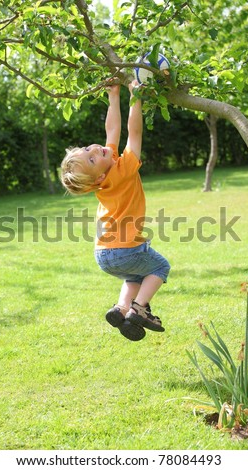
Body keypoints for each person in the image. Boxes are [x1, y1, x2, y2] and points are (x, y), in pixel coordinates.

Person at [61, 80, 170, 341]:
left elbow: (113, 129)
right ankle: (139, 309)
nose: (96, 150)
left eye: (88, 150)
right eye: (91, 158)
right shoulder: (123, 169)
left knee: (135, 276)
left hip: (103, 254)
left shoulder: (106, 173)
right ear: (97, 177)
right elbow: (134, 134)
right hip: (124, 249)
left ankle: (121, 309)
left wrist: (114, 96)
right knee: (159, 267)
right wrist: (135, 99)